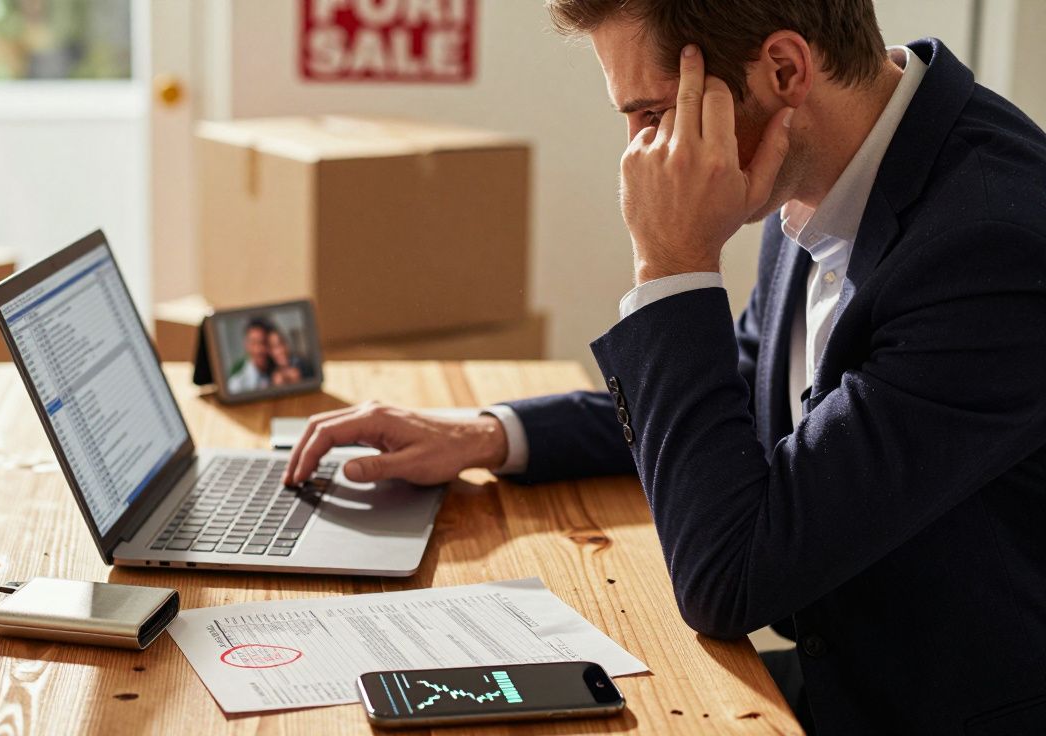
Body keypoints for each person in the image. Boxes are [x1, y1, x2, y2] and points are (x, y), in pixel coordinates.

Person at [284, 1, 1046, 732]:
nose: (642, 156)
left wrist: (672, 264)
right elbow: (745, 394)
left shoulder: (992, 246)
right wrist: (494, 435)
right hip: (835, 678)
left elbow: (730, 575)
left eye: (653, 114)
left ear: (783, 70)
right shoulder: (834, 161)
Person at [226, 318, 275, 393]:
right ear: (246, 345)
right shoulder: (237, 385)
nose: (258, 350)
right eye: (253, 343)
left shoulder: (277, 373)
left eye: (263, 343)